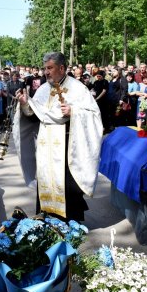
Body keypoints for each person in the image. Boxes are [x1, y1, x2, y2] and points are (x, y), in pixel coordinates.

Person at [13, 52, 103, 221]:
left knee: (68, 184)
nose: (46, 72)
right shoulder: (42, 89)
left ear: (61, 68)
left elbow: (94, 115)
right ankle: (46, 216)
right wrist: (25, 104)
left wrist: (74, 112)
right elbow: (34, 115)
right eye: (44, 68)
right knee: (46, 179)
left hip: (68, 145)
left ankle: (71, 221)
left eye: (50, 68)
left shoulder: (78, 88)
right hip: (46, 144)